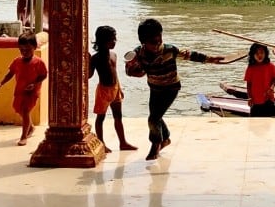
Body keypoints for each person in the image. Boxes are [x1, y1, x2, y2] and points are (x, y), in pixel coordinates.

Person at [126, 18, 223, 160]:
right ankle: (165, 139)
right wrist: (135, 71)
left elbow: (189, 55)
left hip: (171, 87)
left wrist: (210, 59)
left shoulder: (169, 49)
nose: (158, 44)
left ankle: (156, 145)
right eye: (153, 42)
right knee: (155, 116)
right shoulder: (138, 53)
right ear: (143, 42)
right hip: (154, 87)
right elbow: (130, 71)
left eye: (160, 39)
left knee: (153, 118)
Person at [0, 30, 48, 146]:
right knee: (18, 109)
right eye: (22, 50)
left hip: (32, 92)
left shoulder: (39, 63)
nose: (25, 52)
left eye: (28, 50)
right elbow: (10, 73)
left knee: (25, 110)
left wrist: (35, 84)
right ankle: (31, 127)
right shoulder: (17, 61)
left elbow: (44, 75)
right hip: (20, 90)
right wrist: (0, 83)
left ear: (34, 47)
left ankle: (24, 136)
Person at [89, 25, 137, 153]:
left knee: (118, 116)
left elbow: (115, 73)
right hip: (103, 91)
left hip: (115, 88)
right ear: (102, 41)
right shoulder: (96, 58)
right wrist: (86, 60)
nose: (114, 41)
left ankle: (123, 142)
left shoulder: (113, 55)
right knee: (101, 118)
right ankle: (101, 143)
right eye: (111, 39)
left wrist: (120, 89)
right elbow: (88, 75)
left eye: (115, 38)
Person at [244, 43, 275, 117]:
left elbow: (274, 78)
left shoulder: (270, 66)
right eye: (257, 53)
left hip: (268, 99)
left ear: (266, 54)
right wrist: (249, 97)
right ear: (253, 55)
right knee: (255, 124)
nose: (260, 55)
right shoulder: (250, 68)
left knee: (271, 123)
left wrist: (271, 88)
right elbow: (249, 84)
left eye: (262, 53)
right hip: (255, 100)